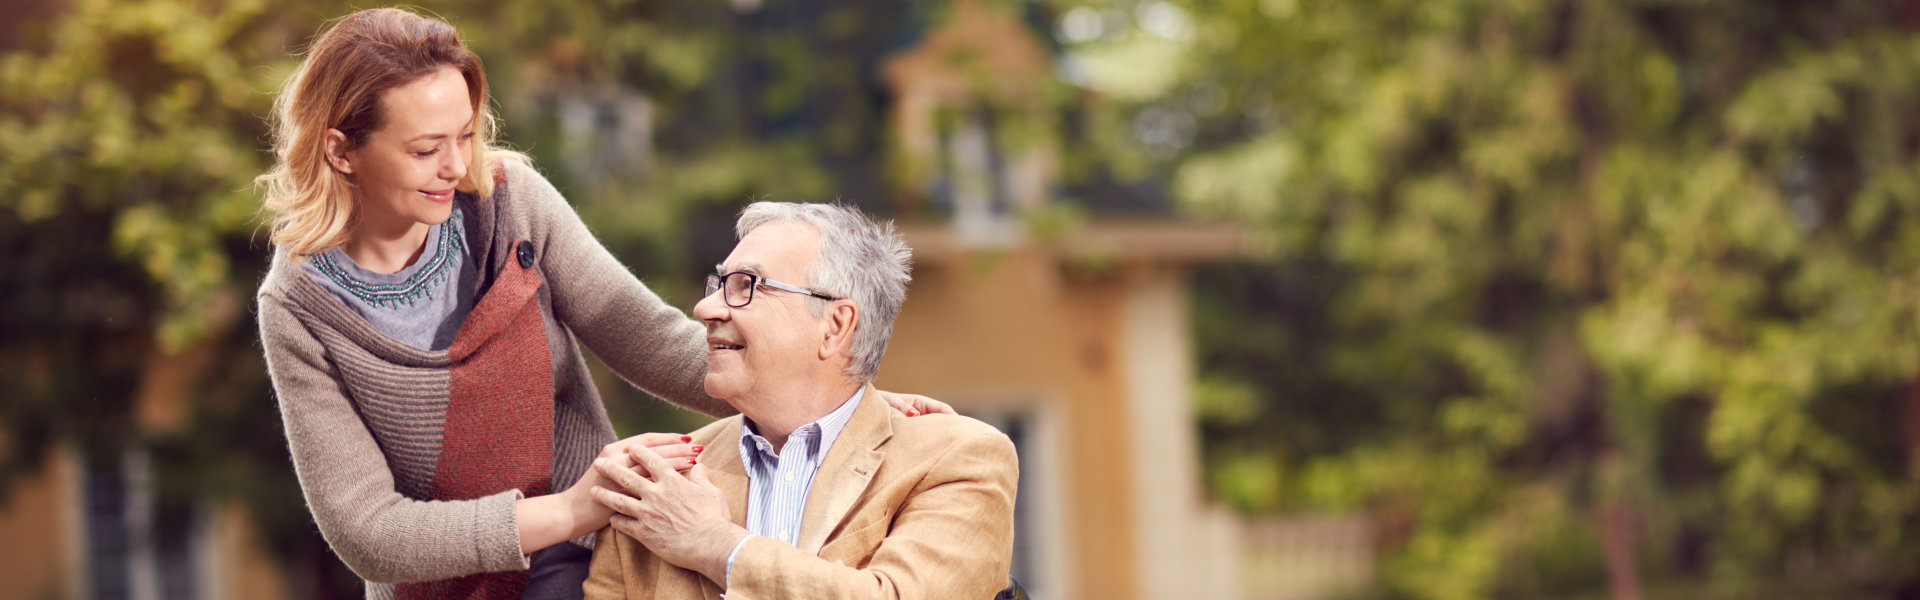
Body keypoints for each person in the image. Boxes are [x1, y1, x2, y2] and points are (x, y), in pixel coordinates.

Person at [252, 8, 949, 598]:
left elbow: (644, 334)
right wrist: (573, 506)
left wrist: (843, 407)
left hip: (585, 567)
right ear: (342, 150)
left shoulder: (508, 205)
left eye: (465, 136)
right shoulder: (299, 308)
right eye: (426, 148)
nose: (456, 167)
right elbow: (371, 532)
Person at [582, 202, 1018, 599]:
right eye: (718, 284)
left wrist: (718, 545)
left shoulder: (958, 458)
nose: (705, 308)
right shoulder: (655, 481)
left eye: (745, 285)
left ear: (835, 325)